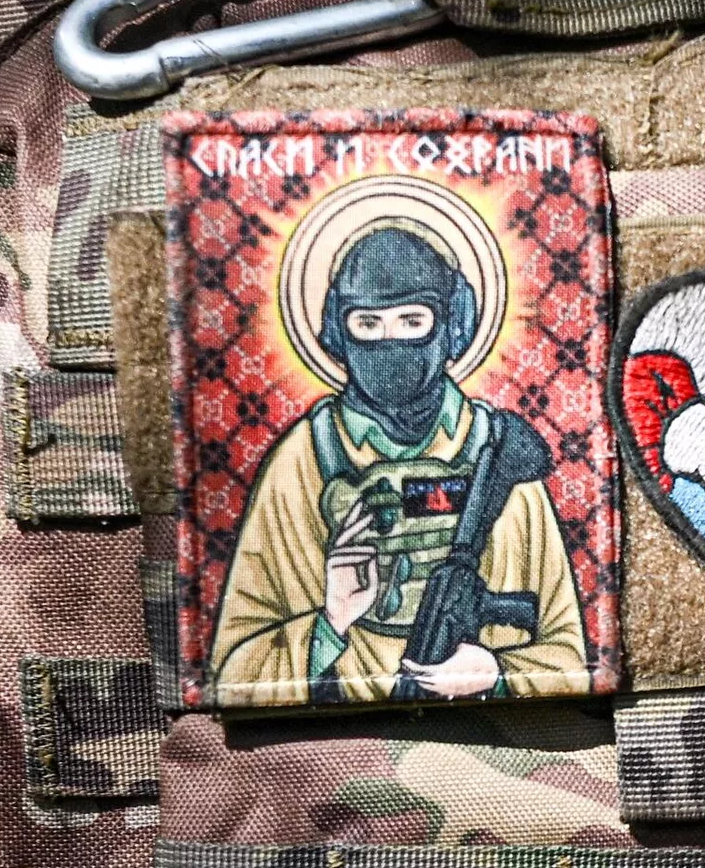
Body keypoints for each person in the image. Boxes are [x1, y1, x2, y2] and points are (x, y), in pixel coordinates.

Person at [211, 224, 586, 706]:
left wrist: (495, 673)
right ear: (338, 332)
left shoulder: (499, 450)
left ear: (452, 325)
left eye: (413, 321)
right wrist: (331, 620)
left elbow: (567, 649)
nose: (390, 343)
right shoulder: (302, 460)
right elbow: (234, 673)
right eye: (367, 324)